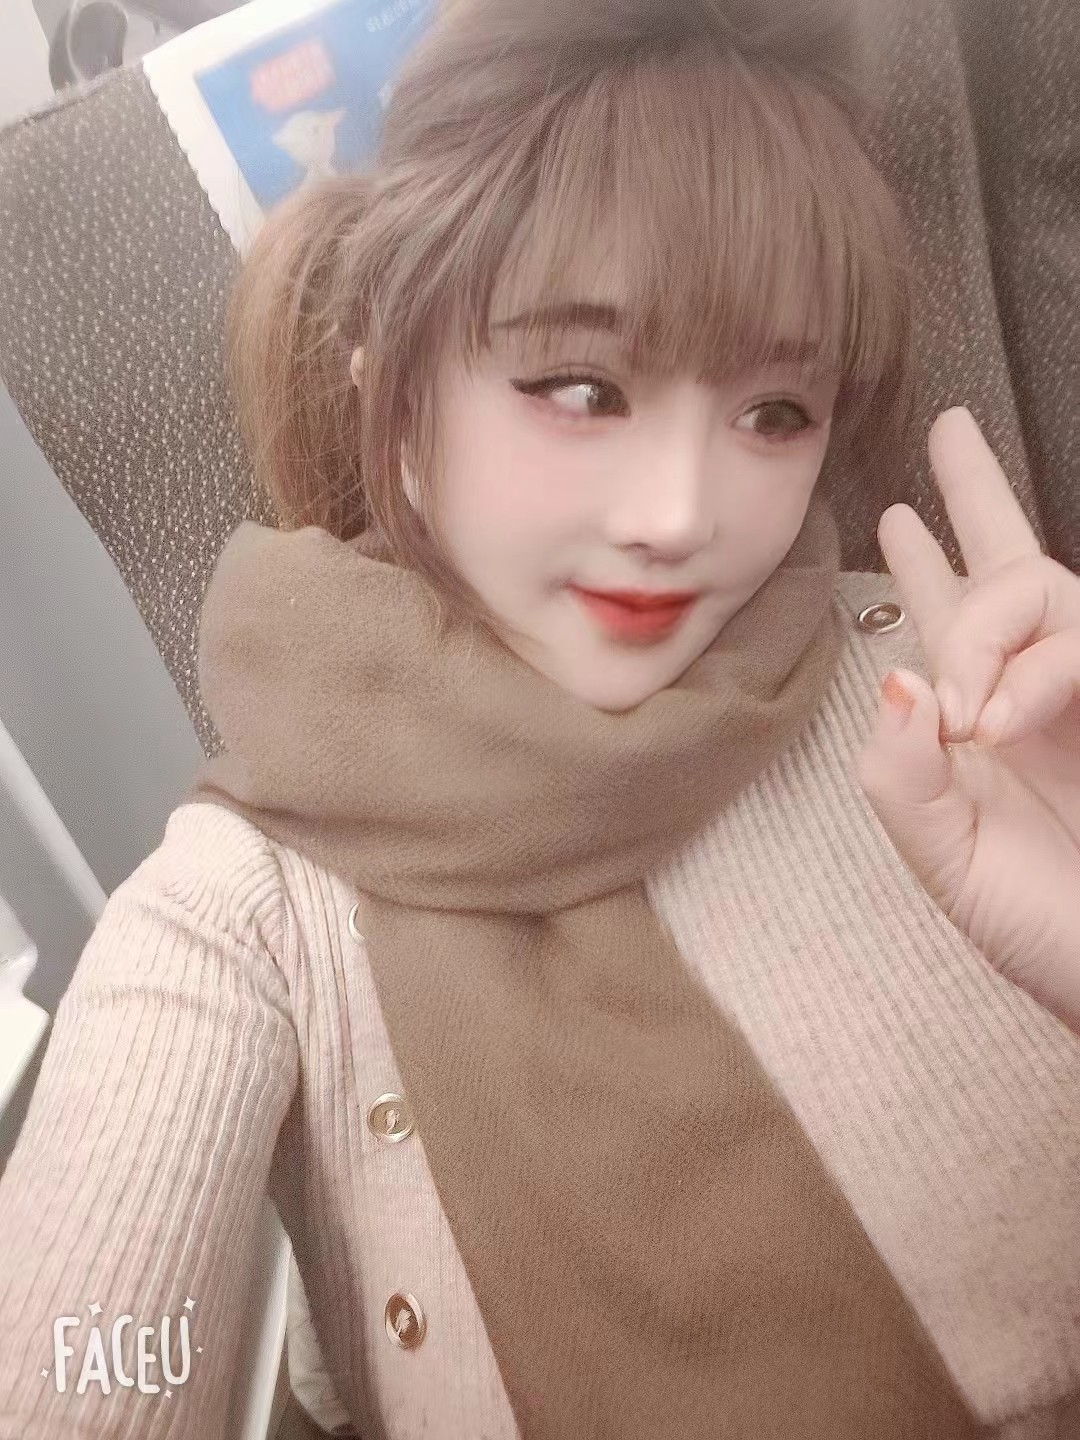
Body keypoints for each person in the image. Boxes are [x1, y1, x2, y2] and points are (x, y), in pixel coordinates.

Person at [1, 0, 1078, 1436]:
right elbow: (77, 1375)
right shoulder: (250, 905)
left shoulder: (992, 697)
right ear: (384, 373)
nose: (680, 517)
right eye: (581, 387)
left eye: (776, 411)